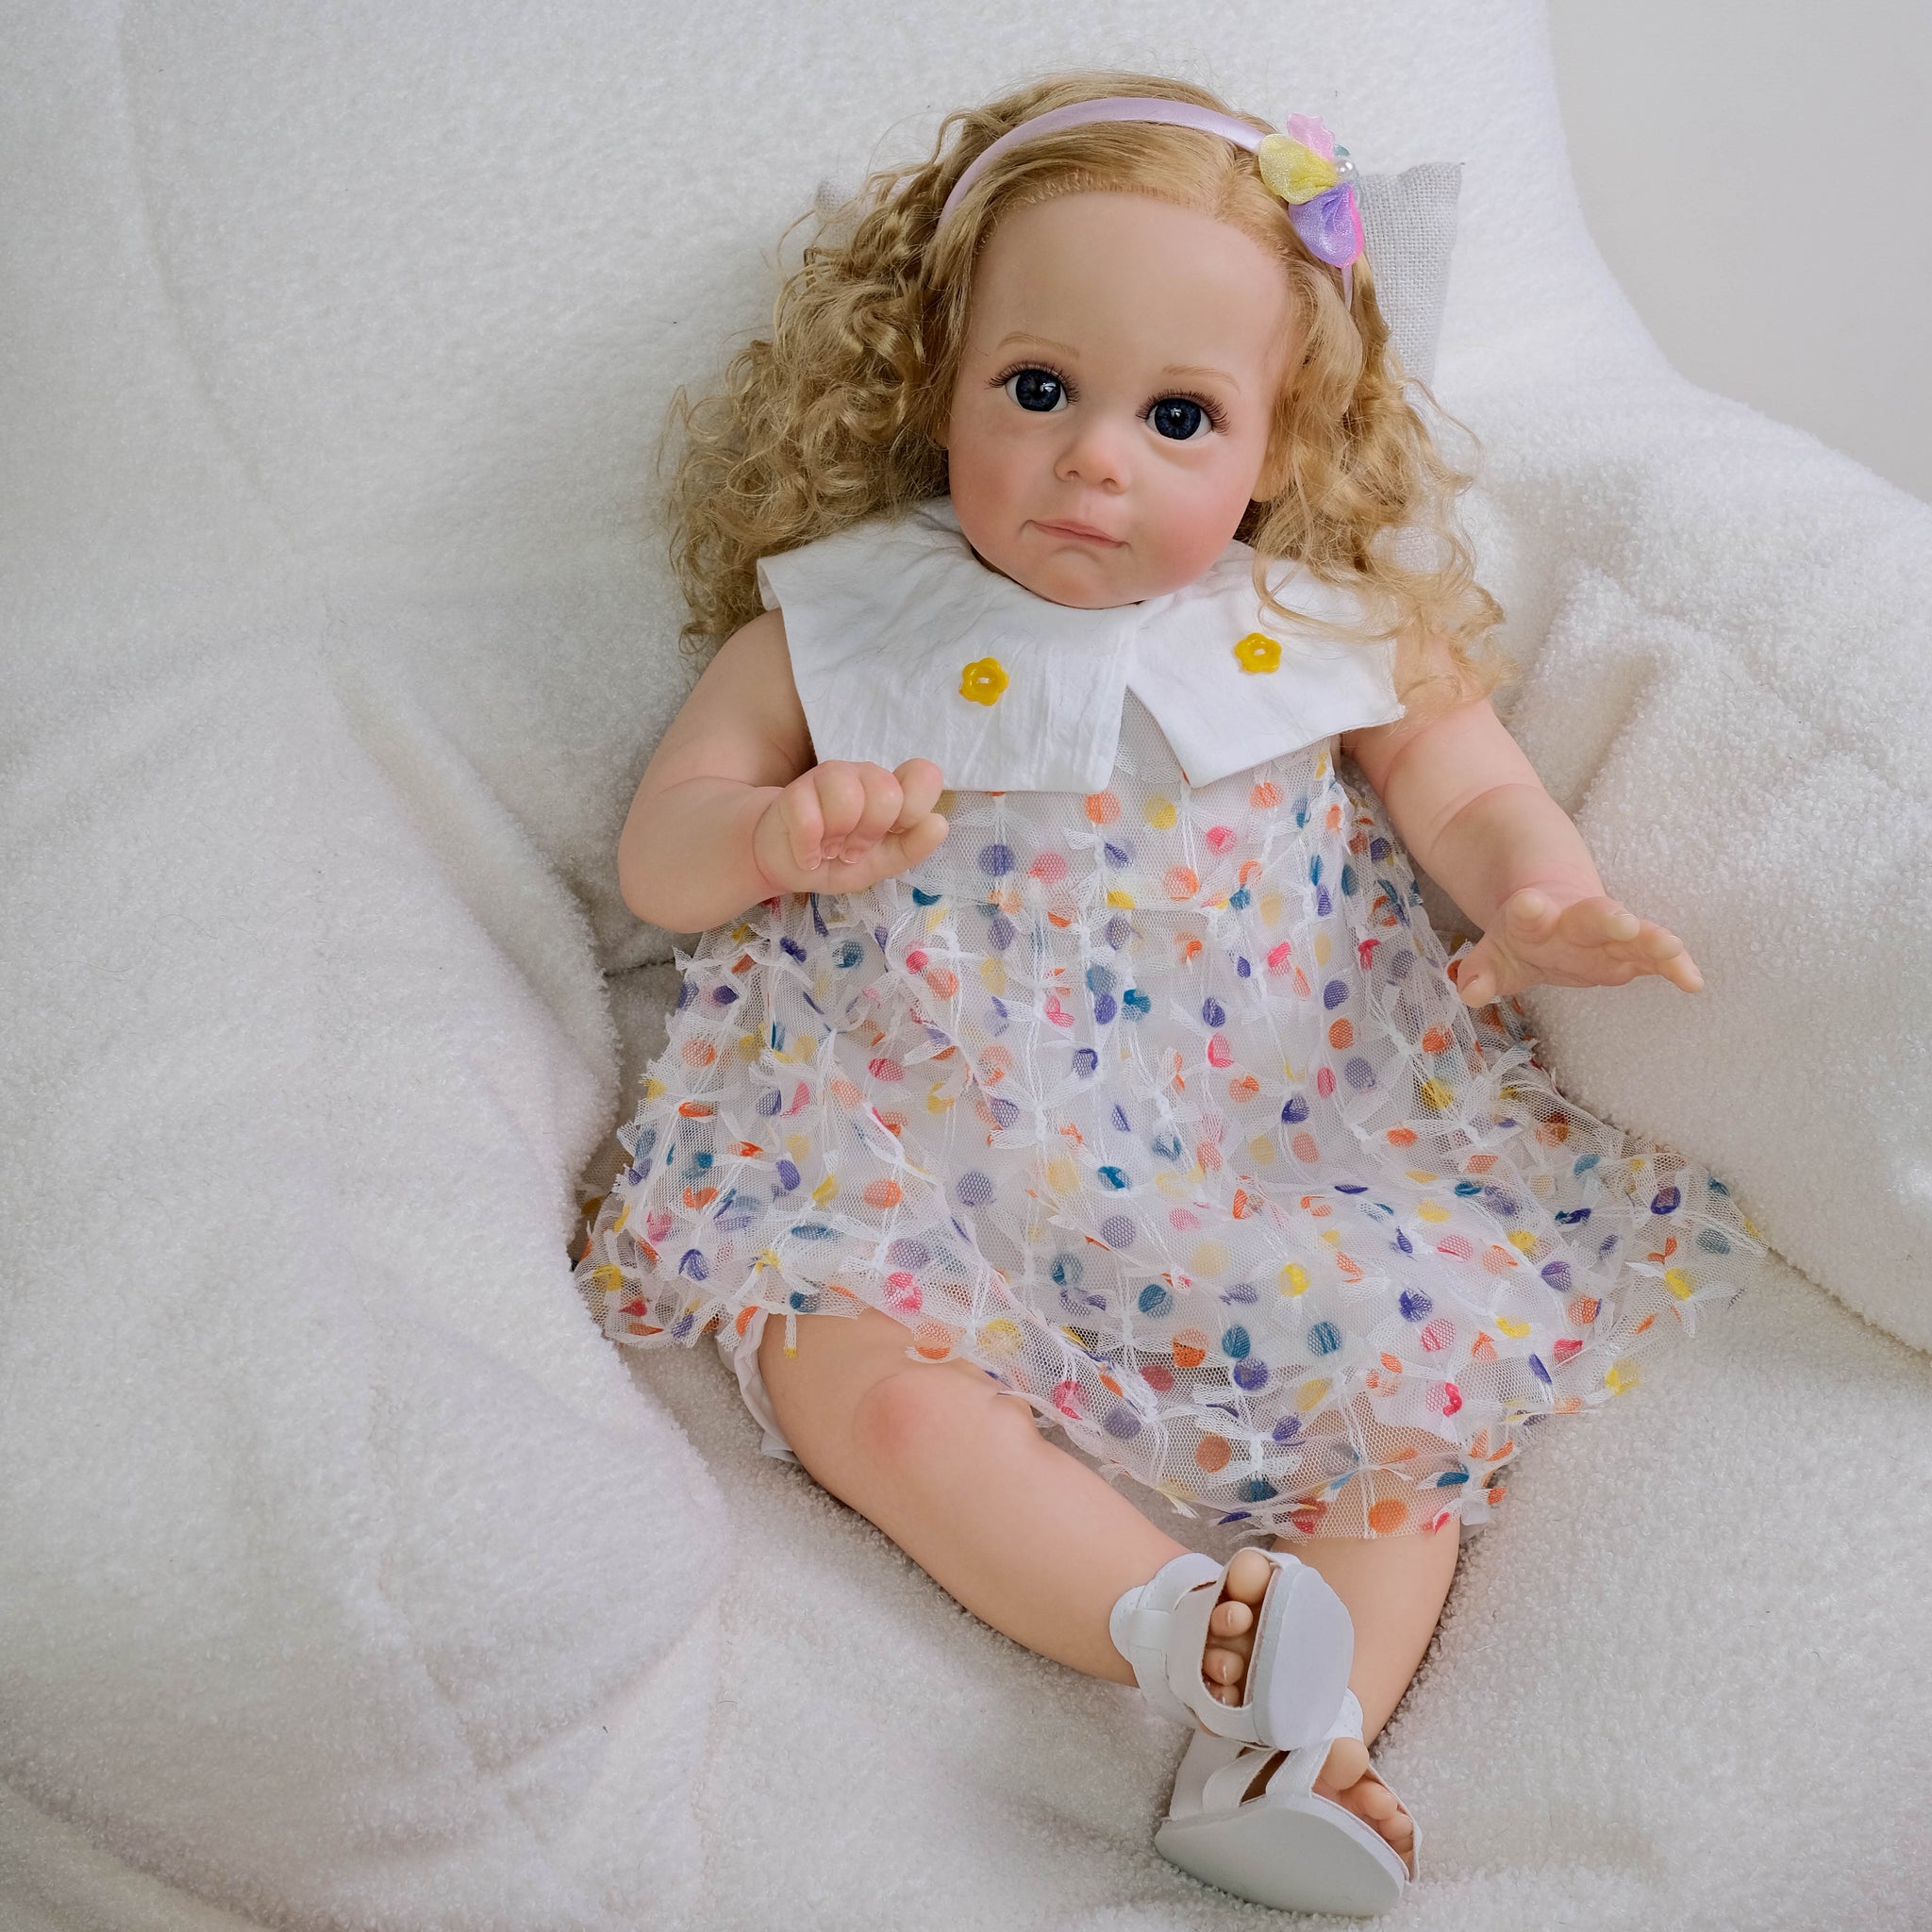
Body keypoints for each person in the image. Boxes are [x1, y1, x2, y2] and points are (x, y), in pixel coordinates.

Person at [573, 72, 1764, 1915]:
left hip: (1279, 1126)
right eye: (1037, 389)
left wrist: (1543, 899)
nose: (1093, 461)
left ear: (1281, 443)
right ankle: (1158, 1619)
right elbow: (664, 855)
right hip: (924, 1131)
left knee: (1408, 1406)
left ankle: (1304, 1750)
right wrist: (772, 832)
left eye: (1178, 415)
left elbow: (1466, 789)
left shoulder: (1316, 621)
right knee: (855, 1381)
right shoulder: (839, 621)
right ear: (939, 377)